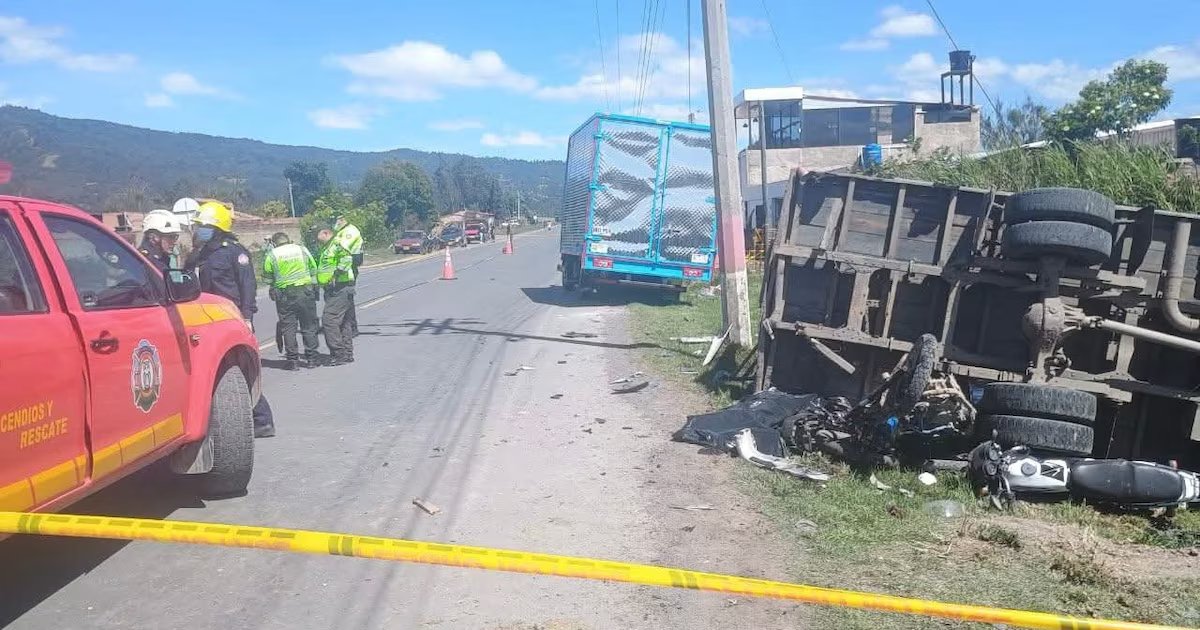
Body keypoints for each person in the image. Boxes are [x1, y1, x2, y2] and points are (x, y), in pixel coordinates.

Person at [188, 201, 277, 438]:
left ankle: (261, 419)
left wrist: (247, 316)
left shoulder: (234, 252)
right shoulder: (201, 254)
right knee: (217, 371)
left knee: (236, 370)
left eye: (202, 226)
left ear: (216, 228)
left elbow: (248, 286)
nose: (198, 230)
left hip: (232, 319)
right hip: (207, 320)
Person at [263, 232, 321, 370]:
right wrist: (314, 287)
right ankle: (312, 359)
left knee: (288, 328)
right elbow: (313, 268)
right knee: (308, 326)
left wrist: (273, 286)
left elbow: (267, 277)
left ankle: (293, 361)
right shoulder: (301, 249)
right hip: (305, 293)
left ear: (275, 243)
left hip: (284, 296)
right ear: (288, 240)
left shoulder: (272, 255)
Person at [316, 228, 356, 366]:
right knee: (343, 322)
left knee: (329, 320)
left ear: (326, 233)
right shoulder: (327, 247)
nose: (316, 238)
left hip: (340, 287)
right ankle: (346, 354)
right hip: (334, 289)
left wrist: (336, 275)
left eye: (318, 234)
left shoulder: (337, 244)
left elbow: (347, 258)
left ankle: (338, 353)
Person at [333, 215, 363, 336]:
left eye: (336, 221)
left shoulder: (350, 231)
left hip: (348, 267)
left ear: (342, 221)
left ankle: (352, 327)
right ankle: (343, 325)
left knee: (347, 299)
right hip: (344, 267)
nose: (335, 223)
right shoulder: (342, 231)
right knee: (340, 299)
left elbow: (342, 248)